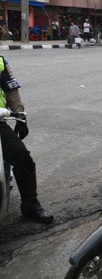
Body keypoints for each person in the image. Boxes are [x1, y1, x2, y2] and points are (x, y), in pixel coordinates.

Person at [0, 56, 53, 223]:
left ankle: (30, 202)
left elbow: (11, 92)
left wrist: (20, 116)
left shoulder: (0, 62)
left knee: (21, 155)